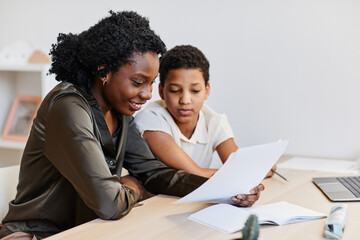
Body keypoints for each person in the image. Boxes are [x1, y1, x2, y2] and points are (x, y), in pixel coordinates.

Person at [0, 12, 264, 240]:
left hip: (89, 229)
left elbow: (155, 173)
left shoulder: (120, 110)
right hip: (38, 234)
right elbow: (109, 203)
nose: (148, 94)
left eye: (151, 83)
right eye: (138, 82)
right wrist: (135, 188)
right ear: (104, 72)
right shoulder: (68, 107)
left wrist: (226, 189)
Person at [135, 45, 276, 178]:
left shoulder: (213, 120)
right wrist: (249, 172)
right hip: (157, 200)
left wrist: (257, 167)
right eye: (175, 90)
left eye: (195, 91)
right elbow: (194, 173)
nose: (185, 100)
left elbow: (236, 163)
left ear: (206, 91)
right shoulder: (150, 118)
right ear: (161, 91)